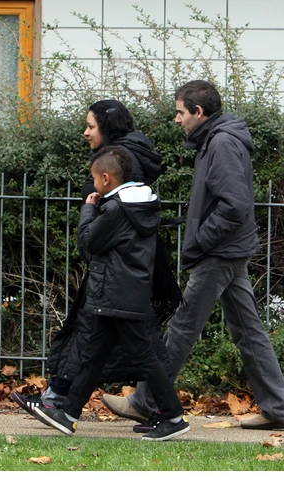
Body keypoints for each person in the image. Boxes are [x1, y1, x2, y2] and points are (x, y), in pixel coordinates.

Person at [100, 80, 284, 430]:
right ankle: (279, 407)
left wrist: (201, 240)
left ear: (198, 112)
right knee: (248, 331)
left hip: (219, 252)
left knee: (182, 326)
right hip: (227, 250)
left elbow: (234, 205)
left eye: (179, 112)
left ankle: (146, 400)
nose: (176, 119)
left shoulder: (221, 143)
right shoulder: (216, 140)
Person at [11, 100, 178, 423]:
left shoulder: (119, 174)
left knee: (112, 344)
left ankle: (167, 414)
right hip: (120, 277)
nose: (86, 132)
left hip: (116, 278)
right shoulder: (128, 166)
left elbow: (93, 239)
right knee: (97, 345)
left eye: (90, 125)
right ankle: (66, 406)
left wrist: (89, 211)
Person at [30, 146, 189, 441]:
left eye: (93, 178)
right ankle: (68, 414)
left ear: (106, 178)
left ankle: (173, 416)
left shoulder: (116, 209)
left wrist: (89, 208)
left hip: (118, 295)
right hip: (120, 294)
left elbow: (90, 241)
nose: (92, 185)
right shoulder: (140, 203)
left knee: (144, 357)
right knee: (93, 354)